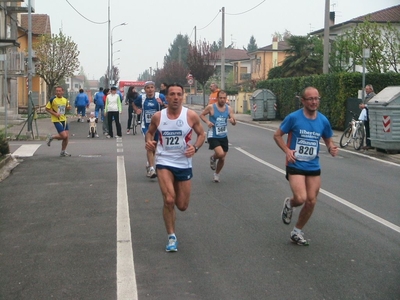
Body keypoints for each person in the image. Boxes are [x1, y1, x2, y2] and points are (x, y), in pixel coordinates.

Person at [273, 86, 338, 246]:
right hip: (295, 163)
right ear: (303, 101)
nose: (314, 101)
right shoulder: (293, 118)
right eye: (310, 99)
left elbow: (328, 139)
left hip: (313, 165)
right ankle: (290, 203)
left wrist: (331, 147)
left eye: (316, 98)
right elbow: (277, 135)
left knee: (311, 201)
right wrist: (287, 150)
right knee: (300, 198)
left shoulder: (323, 120)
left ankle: (297, 231)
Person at [145, 83, 205, 252]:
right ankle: (171, 236)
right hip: (164, 161)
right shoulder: (159, 116)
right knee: (169, 200)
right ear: (167, 97)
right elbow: (150, 132)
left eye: (179, 94)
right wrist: (149, 142)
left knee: (182, 205)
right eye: (172, 94)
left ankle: (171, 212)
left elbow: (202, 134)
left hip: (184, 163)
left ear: (183, 96)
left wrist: (196, 147)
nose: (176, 97)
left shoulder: (190, 115)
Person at [200, 90, 236, 182]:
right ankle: (213, 157)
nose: (222, 100)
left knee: (223, 158)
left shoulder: (229, 109)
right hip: (213, 135)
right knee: (220, 154)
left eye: (224, 98)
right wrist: (208, 122)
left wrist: (233, 121)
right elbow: (202, 115)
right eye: (221, 98)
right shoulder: (211, 107)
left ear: (226, 98)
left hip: (223, 135)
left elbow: (233, 121)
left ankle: (216, 174)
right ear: (217, 98)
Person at [133, 81, 167, 178]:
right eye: (148, 88)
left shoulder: (160, 96)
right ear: (145, 89)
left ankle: (149, 162)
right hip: (146, 126)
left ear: (154, 88)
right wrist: (137, 110)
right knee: (149, 144)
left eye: (152, 87)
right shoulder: (141, 98)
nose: (150, 89)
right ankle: (152, 168)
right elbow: (134, 104)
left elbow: (169, 107)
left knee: (155, 146)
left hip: (159, 125)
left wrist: (163, 104)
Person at [45, 86, 72, 157]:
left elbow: (68, 107)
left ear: (63, 92)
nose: (58, 92)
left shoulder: (65, 100)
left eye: (60, 91)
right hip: (56, 120)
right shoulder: (52, 99)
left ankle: (63, 151)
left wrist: (69, 108)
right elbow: (47, 108)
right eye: (57, 91)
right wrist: (55, 114)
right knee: (64, 136)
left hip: (64, 119)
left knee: (66, 137)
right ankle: (52, 137)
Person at [359, 84, 376, 150]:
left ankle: (370, 144)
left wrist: (365, 106)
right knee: (367, 129)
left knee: (369, 129)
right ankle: (368, 144)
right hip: (366, 115)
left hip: (370, 115)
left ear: (371, 89)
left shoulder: (373, 96)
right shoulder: (367, 96)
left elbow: (372, 104)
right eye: (366, 89)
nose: (366, 91)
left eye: (367, 89)